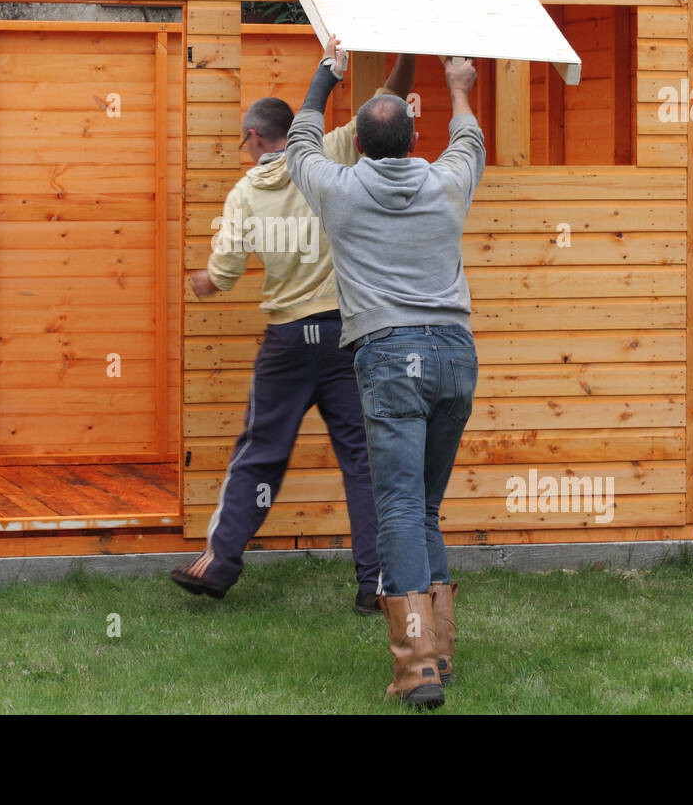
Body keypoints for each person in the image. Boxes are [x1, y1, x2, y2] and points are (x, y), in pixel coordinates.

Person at [170, 38, 416, 616]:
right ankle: (374, 584)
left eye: (240, 141)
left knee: (260, 454)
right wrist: (403, 48)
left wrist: (203, 281)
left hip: (287, 343)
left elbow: (224, 275)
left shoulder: (242, 196)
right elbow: (389, 102)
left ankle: (220, 563)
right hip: (343, 337)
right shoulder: (326, 155)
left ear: (256, 138)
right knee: (361, 458)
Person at [285, 42, 484, 710]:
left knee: (398, 508)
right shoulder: (448, 182)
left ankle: (418, 666)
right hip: (456, 356)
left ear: (360, 147)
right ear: (413, 136)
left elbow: (301, 136)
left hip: (391, 356)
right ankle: (440, 651)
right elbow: (469, 136)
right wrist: (458, 85)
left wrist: (328, 72)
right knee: (424, 507)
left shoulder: (337, 191)